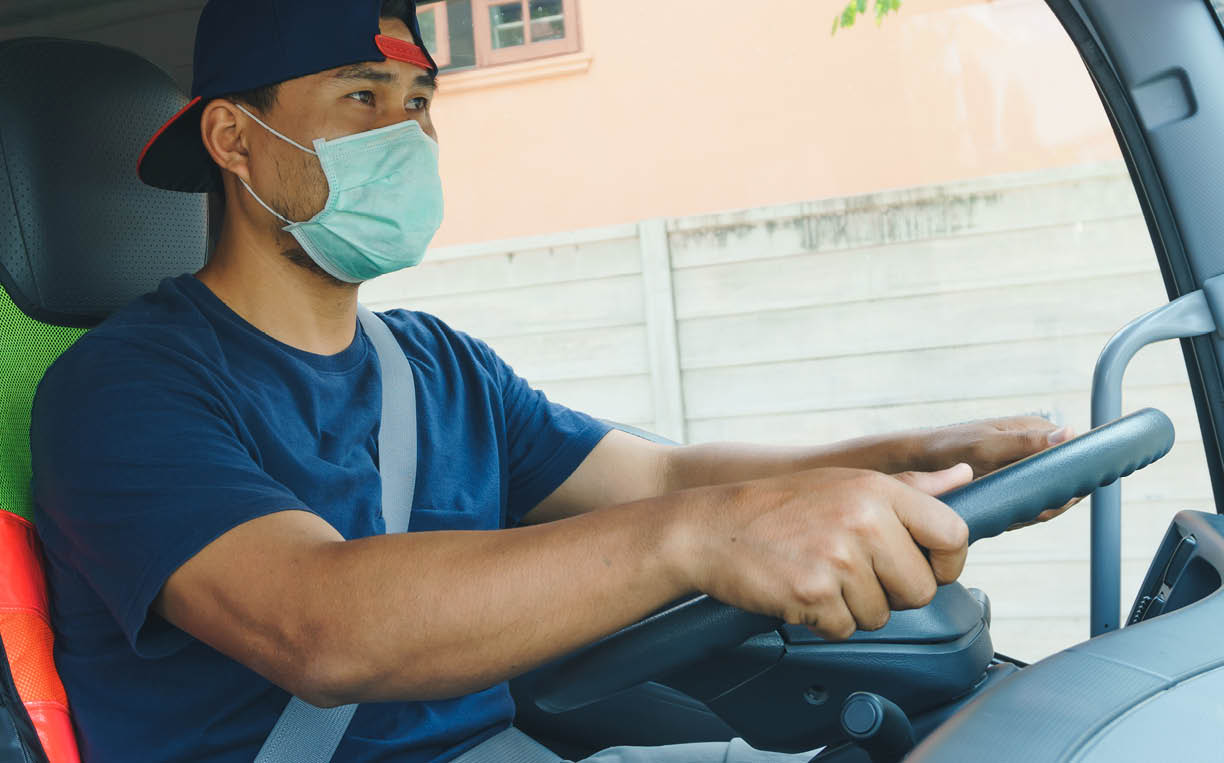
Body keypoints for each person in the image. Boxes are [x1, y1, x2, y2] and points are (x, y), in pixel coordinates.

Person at [29, 1, 1074, 761]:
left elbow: (665, 478)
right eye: (362, 97)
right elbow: (320, 625)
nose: (409, 135)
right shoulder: (123, 390)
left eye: (420, 101)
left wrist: (913, 456)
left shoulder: (434, 365)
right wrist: (709, 536)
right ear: (233, 140)